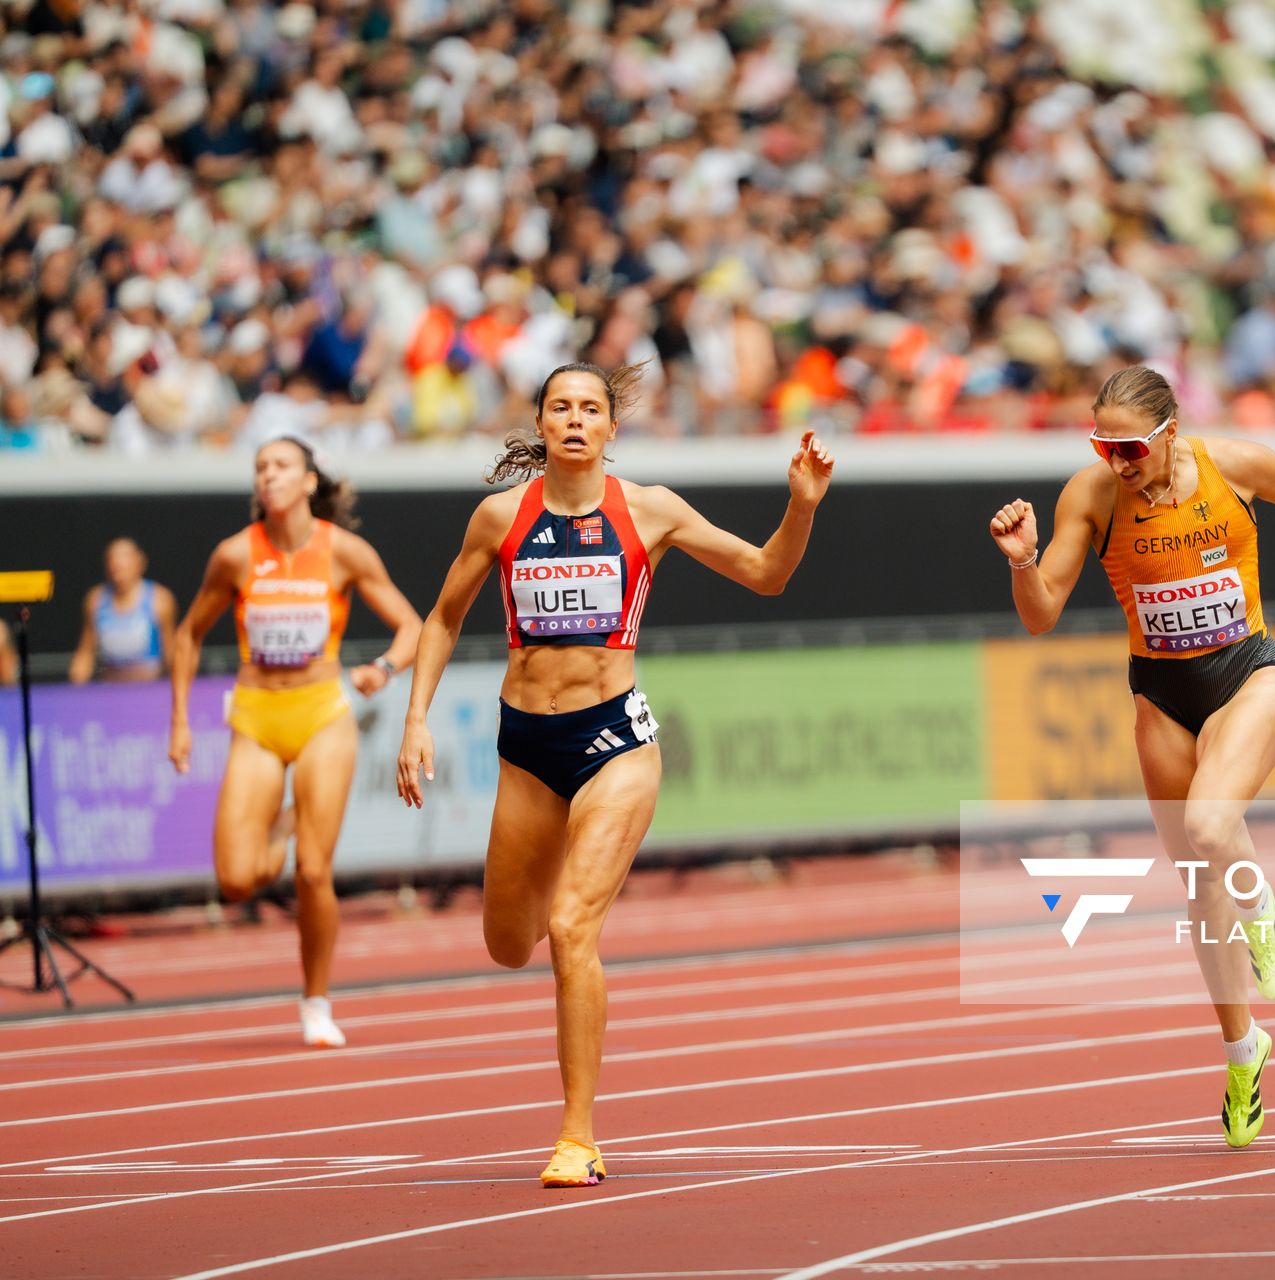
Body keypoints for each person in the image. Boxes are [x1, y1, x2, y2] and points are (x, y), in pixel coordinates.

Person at [396, 362, 834, 1188]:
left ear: (608, 428)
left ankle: (577, 1138)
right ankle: (558, 871)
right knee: (506, 943)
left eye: (589, 408)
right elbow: (443, 616)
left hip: (614, 741)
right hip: (525, 747)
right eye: (559, 407)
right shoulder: (499, 516)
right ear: (541, 422)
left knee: (571, 930)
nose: (574, 419)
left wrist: (800, 508)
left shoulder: (650, 509)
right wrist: (416, 718)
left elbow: (767, 574)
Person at [987, 365, 1275, 1150]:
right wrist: (1023, 562)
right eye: (1103, 445)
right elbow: (1040, 615)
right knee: (1201, 891)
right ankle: (1242, 1055)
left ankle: (1268, 916)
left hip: (1247, 675)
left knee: (1209, 824)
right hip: (1160, 697)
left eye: (1129, 447)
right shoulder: (1091, 497)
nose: (1117, 461)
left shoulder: (1235, 465)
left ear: (1168, 432)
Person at [168, 438, 421, 1047]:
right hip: (256, 716)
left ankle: (316, 1001)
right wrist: (178, 720)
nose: (268, 476)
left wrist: (381, 669)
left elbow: (411, 624)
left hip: (321, 715)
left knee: (313, 871)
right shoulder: (234, 556)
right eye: (260, 468)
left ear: (310, 481)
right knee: (234, 879)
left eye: (280, 466)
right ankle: (283, 824)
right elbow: (187, 635)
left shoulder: (343, 551)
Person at [68, 537, 178, 683]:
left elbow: (171, 652)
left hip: (148, 687)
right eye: (112, 560)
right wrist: (74, 688)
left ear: (140, 562)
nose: (117, 565)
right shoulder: (95, 600)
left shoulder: (160, 599)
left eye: (124, 560)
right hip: (110, 688)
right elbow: (85, 653)